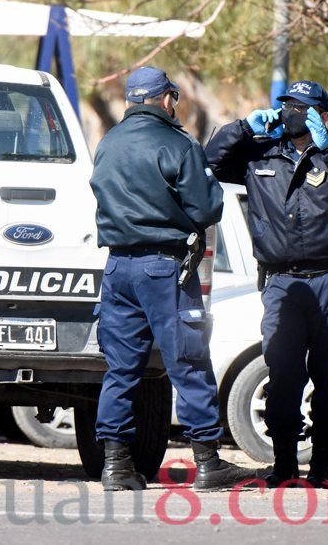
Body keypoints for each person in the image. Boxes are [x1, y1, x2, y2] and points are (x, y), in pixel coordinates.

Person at [90, 66, 254, 492]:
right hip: (162, 269)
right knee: (188, 361)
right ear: (165, 98)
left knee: (120, 369)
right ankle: (208, 462)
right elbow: (206, 209)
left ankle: (116, 466)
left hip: (116, 269)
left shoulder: (108, 143)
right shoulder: (177, 143)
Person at [205, 80, 328, 488]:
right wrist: (243, 128)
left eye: (303, 107)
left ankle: (322, 467)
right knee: (282, 372)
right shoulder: (262, 151)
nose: (291, 112)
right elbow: (208, 159)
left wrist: (327, 147)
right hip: (282, 281)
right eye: (287, 105)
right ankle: (283, 465)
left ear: (323, 115)